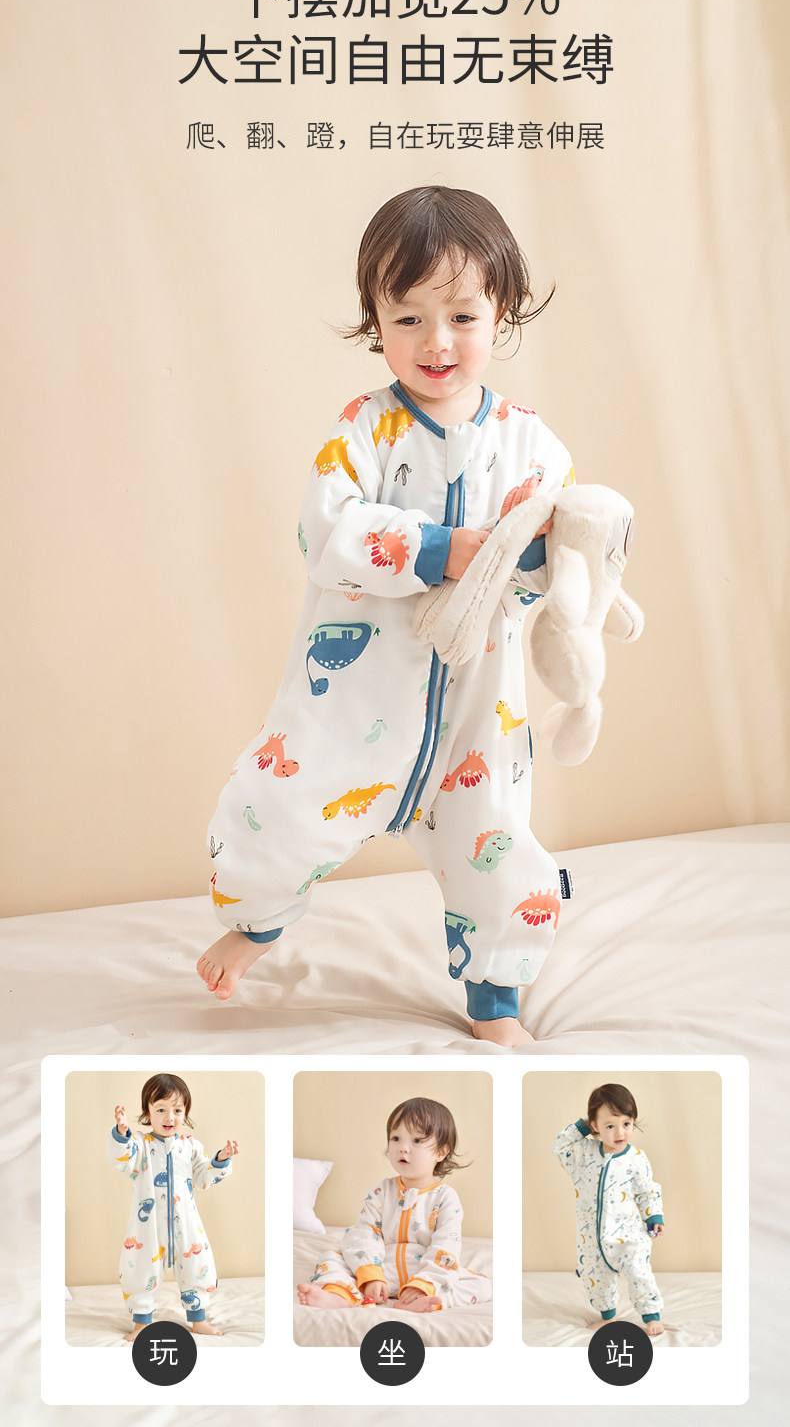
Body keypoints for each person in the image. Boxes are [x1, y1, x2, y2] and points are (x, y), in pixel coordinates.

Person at [198, 184, 575, 1046]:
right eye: (408, 318)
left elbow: (546, 559)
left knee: (498, 842)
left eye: (462, 316)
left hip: (478, 712)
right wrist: (438, 548)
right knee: (279, 808)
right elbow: (327, 531)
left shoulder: (532, 444)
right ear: (376, 319)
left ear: (502, 311)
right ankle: (256, 923)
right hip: (355, 699)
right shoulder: (363, 431)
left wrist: (541, 557)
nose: (436, 341)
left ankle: (495, 997)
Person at [297, 1097, 490, 1310]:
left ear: (441, 1152)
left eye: (417, 1140)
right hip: (380, 1272)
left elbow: (446, 1246)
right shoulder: (381, 1192)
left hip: (421, 1274)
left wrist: (425, 1284)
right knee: (331, 1258)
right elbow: (363, 1233)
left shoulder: (445, 1198)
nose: (403, 1148)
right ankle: (338, 1295)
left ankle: (426, 1301)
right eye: (396, 1138)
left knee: (482, 1284)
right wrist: (371, 1275)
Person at [107, 1073, 237, 1341]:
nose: (170, 1117)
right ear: (147, 1113)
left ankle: (198, 1320)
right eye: (161, 1110)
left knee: (197, 1265)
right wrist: (121, 1133)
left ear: (185, 1112)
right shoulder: (140, 1146)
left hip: (186, 1224)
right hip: (148, 1226)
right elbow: (122, 1159)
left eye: (177, 1110)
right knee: (140, 1269)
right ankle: (141, 1323)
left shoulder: (191, 1147)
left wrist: (220, 1160)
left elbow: (202, 1177)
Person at [552, 1083, 665, 1336]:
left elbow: (647, 1190)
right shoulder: (583, 1154)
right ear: (595, 1126)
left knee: (639, 1273)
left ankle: (651, 1316)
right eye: (610, 1126)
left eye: (626, 1123)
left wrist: (653, 1215)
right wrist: (582, 1126)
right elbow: (559, 1146)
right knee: (596, 1279)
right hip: (592, 1238)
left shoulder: (637, 1158)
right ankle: (608, 1316)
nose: (620, 1132)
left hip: (629, 1235)